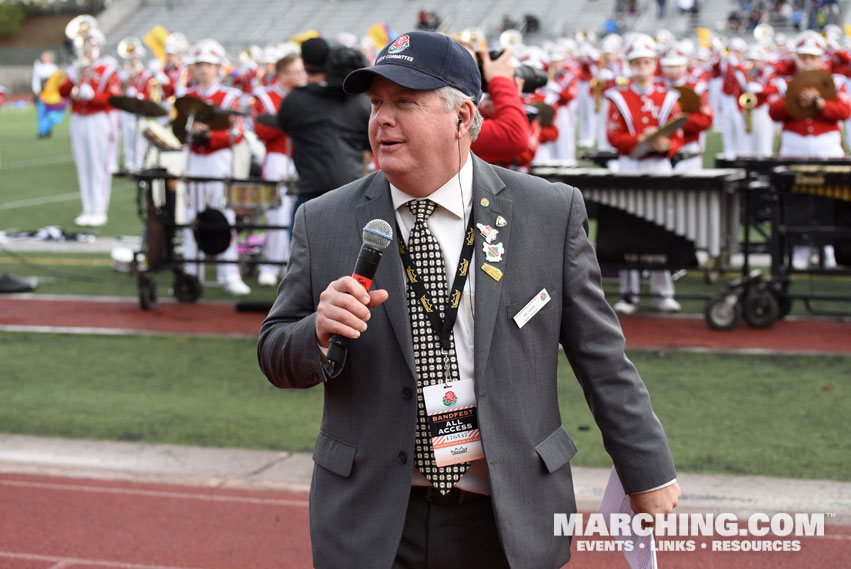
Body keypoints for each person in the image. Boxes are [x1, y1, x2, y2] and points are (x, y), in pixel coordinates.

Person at [258, 30, 680, 569]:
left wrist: (648, 469)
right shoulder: (325, 220)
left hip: (509, 515)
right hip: (374, 520)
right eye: (377, 104)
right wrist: (314, 331)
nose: (381, 120)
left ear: (463, 119)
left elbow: (601, 355)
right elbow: (274, 352)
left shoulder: (548, 213)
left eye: (404, 103)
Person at [604, 33, 685, 314]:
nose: (641, 67)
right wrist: (642, 139)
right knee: (629, 228)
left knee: (660, 227)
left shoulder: (668, 96)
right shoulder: (618, 97)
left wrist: (666, 145)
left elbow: (678, 135)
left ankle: (664, 292)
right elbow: (614, 137)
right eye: (636, 62)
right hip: (630, 165)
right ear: (629, 64)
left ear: (654, 64)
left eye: (646, 61)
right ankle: (629, 294)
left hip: (658, 166)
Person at [276, 37, 371, 241]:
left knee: (303, 262)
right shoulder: (358, 103)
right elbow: (369, 141)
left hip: (311, 193)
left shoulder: (295, 101)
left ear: (304, 64)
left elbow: (285, 124)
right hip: (350, 192)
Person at [180, 39, 251, 295]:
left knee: (225, 216)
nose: (204, 70)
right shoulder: (187, 97)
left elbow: (238, 133)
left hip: (220, 160)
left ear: (219, 67)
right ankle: (191, 272)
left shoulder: (230, 96)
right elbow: (178, 131)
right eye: (200, 64)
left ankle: (229, 273)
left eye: (209, 65)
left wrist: (210, 135)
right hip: (194, 160)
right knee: (192, 216)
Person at [252, 53, 307, 286]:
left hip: (302, 156)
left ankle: (294, 266)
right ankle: (271, 264)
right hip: (277, 155)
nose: (302, 76)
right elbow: (261, 130)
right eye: (297, 71)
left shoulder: (307, 94)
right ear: (284, 74)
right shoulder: (265, 95)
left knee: (301, 214)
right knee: (277, 212)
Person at [58, 27, 121, 227]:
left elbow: (113, 98)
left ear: (99, 48)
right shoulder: (78, 67)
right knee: (83, 164)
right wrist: (74, 77)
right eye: (85, 45)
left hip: (97, 119)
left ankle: (99, 209)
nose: (88, 50)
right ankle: (87, 208)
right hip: (78, 118)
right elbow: (62, 91)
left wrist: (92, 95)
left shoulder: (107, 70)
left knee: (98, 165)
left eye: (91, 46)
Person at [32, 50, 67, 138]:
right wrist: (37, 92)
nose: (45, 58)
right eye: (44, 56)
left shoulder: (53, 68)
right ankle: (43, 131)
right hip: (42, 94)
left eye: (47, 56)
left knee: (51, 113)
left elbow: (57, 82)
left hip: (51, 96)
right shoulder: (39, 68)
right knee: (42, 113)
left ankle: (47, 129)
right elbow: (36, 81)